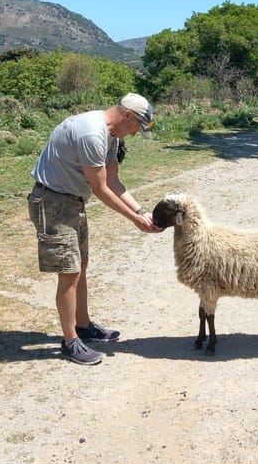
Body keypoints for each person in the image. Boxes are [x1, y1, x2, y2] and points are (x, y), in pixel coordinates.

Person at [27, 93, 161, 365]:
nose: (136, 133)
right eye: (137, 127)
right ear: (127, 116)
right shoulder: (92, 134)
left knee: (81, 265)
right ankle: (70, 341)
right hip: (52, 201)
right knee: (70, 271)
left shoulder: (113, 137)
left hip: (73, 201)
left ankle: (83, 325)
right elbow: (100, 189)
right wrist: (135, 222)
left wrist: (140, 212)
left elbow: (113, 180)